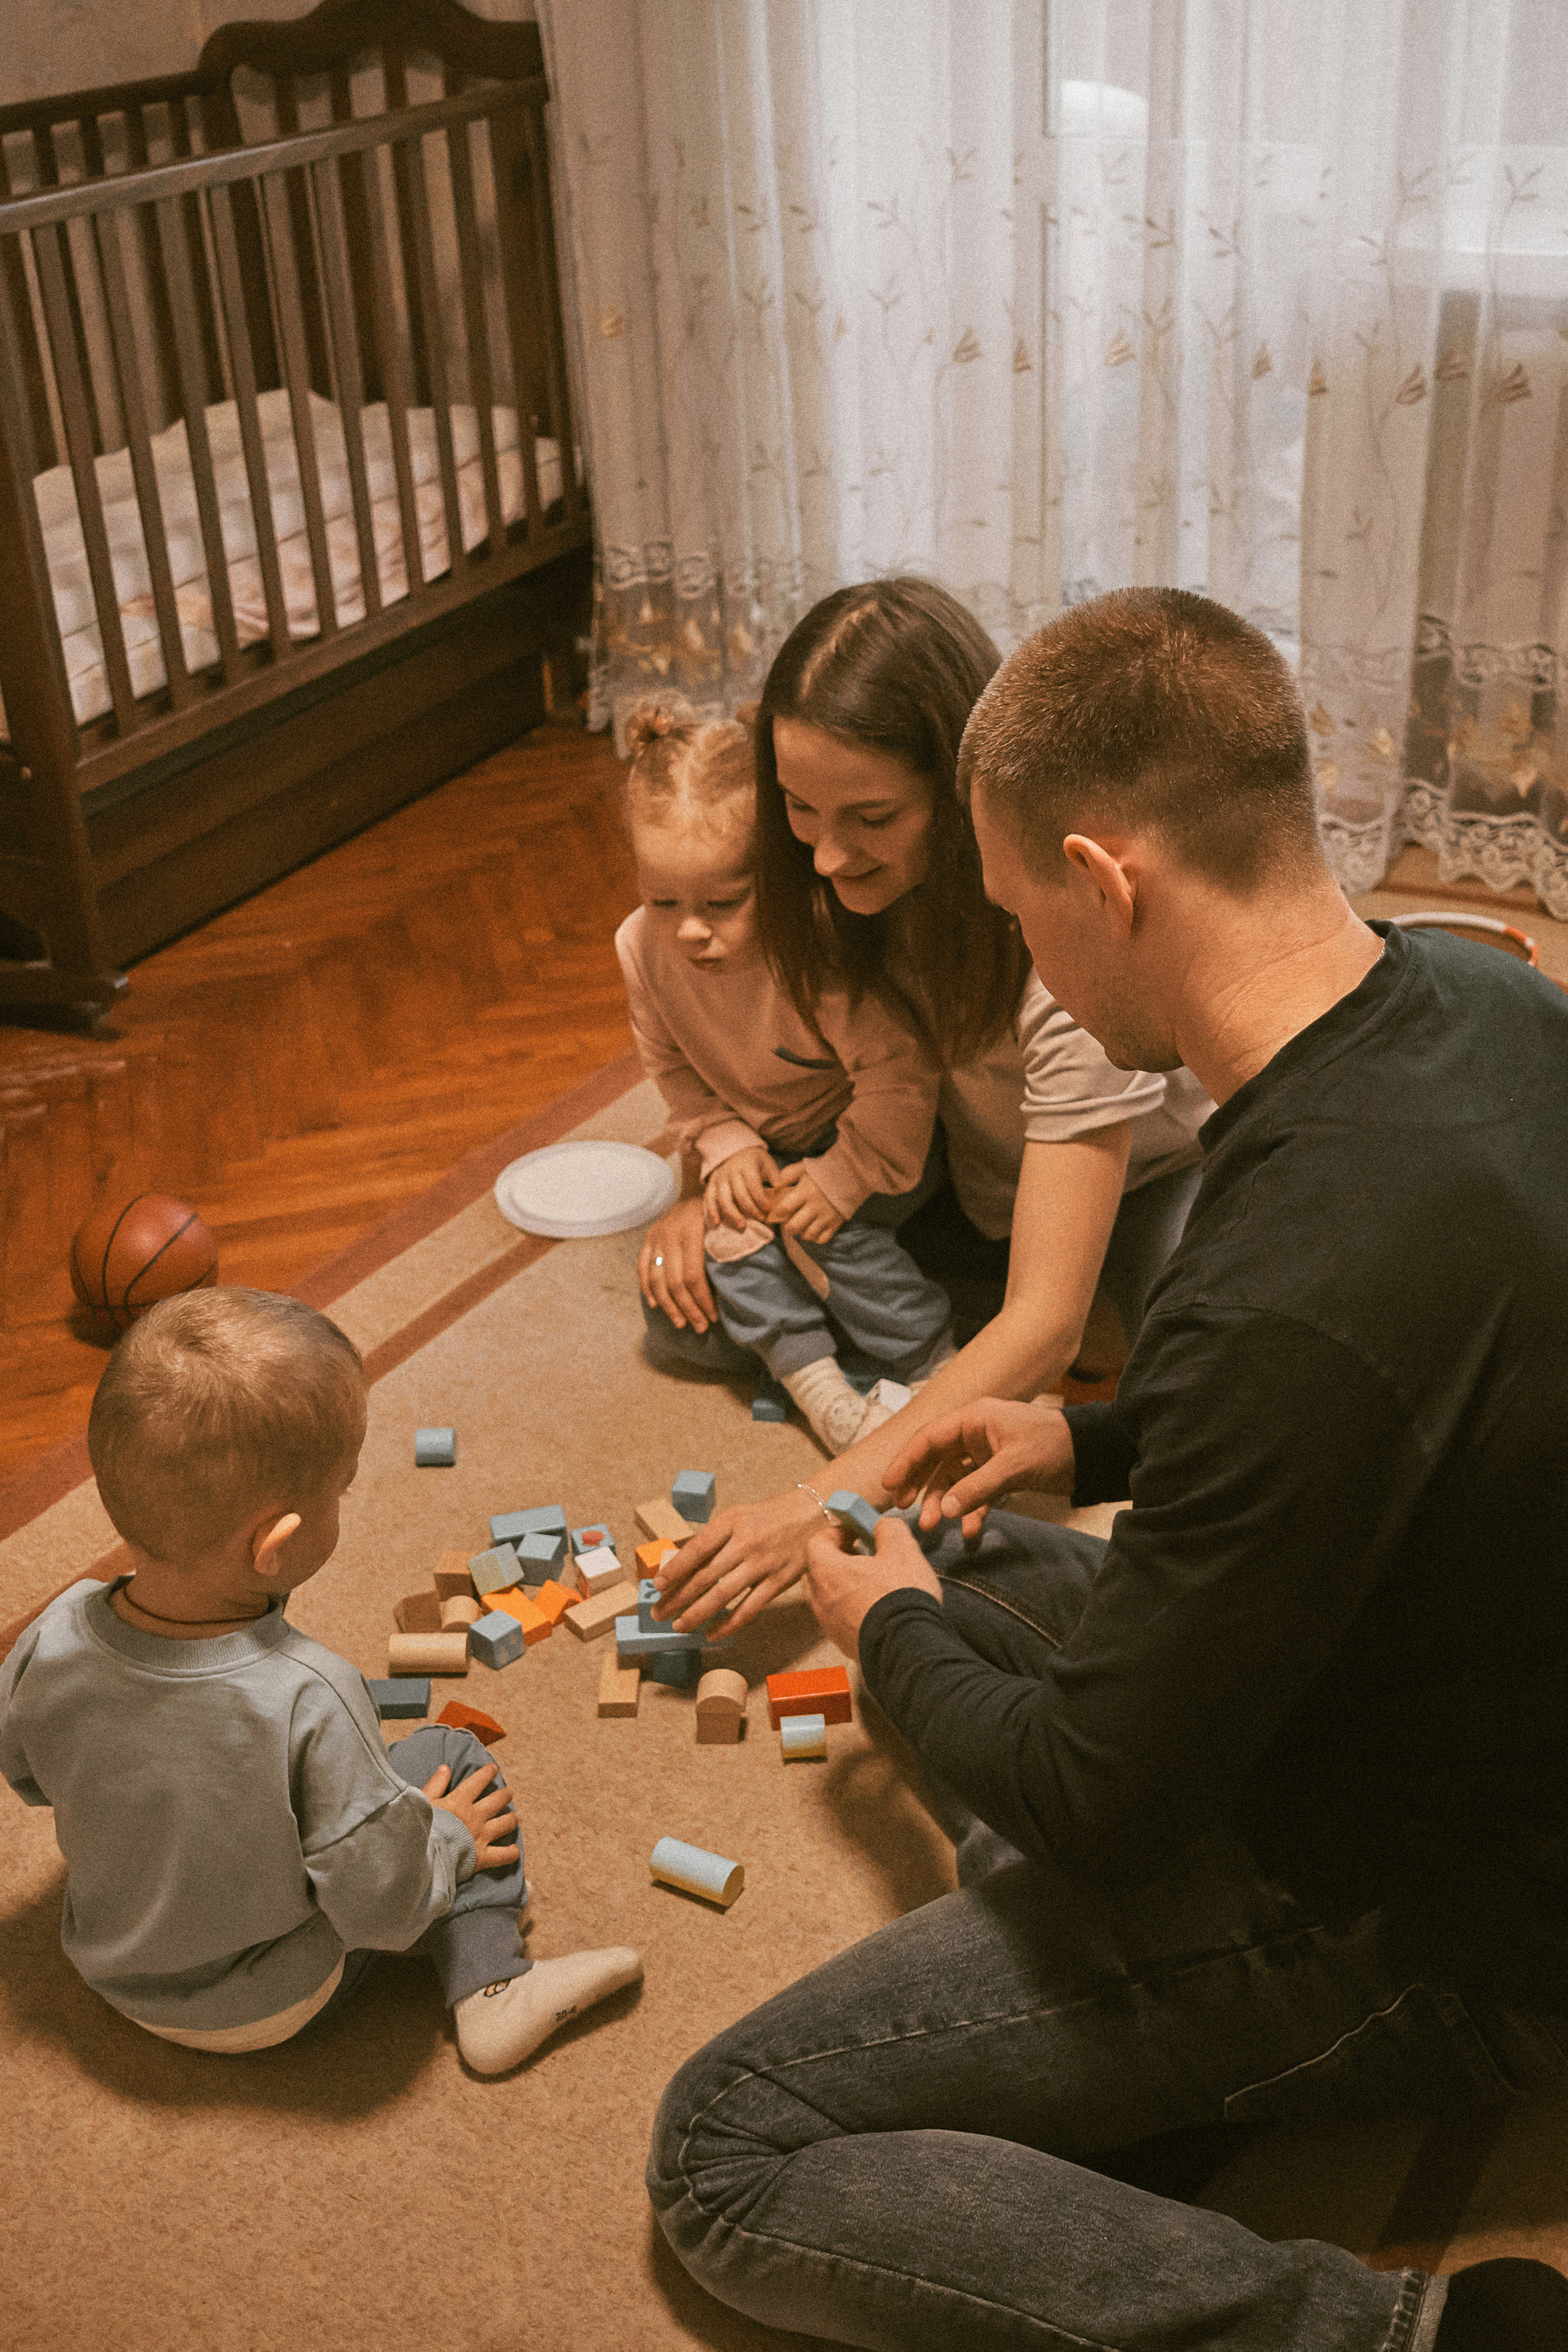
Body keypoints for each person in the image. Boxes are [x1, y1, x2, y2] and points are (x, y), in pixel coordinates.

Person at [647, 587, 1568, 2349]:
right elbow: (1411, 1385)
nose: (1025, 962)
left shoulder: (1281, 1283)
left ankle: (1389, 2335)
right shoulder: (1486, 990)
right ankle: (1134, 2074)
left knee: (725, 2147)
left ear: (1102, 876)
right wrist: (1085, 1434)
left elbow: (1096, 1799)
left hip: (1459, 1918)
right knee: (969, 1542)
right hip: (1446, 1676)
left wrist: (880, 1621)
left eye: (1016, 916)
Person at [643, 579, 1211, 1630]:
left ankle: (1069, 1321)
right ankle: (1002, 1327)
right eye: (798, 810)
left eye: (871, 818)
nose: (824, 855)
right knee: (689, 1306)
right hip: (958, 1178)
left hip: (1149, 1180)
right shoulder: (826, 892)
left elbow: (1041, 1321)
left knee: (1197, 1398)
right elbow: (775, 1072)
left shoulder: (1060, 941)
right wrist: (710, 1176)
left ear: (960, 793)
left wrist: (816, 1506)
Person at [0, 1288, 641, 2075]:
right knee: (450, 1755)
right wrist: (447, 1841)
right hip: (274, 2000)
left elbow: (27, 1773)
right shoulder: (313, 1694)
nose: (345, 1499)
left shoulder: (53, 1633)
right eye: (341, 1488)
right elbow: (383, 1908)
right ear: (275, 1546)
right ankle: (492, 1987)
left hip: (118, 1974)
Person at [616, 696, 954, 1450]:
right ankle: (822, 1392)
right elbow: (673, 1068)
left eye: (723, 902)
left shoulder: (816, 951)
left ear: (775, 876)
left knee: (819, 1238)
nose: (690, 930)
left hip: (868, 1144)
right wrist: (725, 1143)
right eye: (662, 901)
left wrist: (843, 1176)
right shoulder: (640, 949)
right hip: (762, 1149)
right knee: (696, 1288)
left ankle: (934, 1362)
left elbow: (901, 1078)